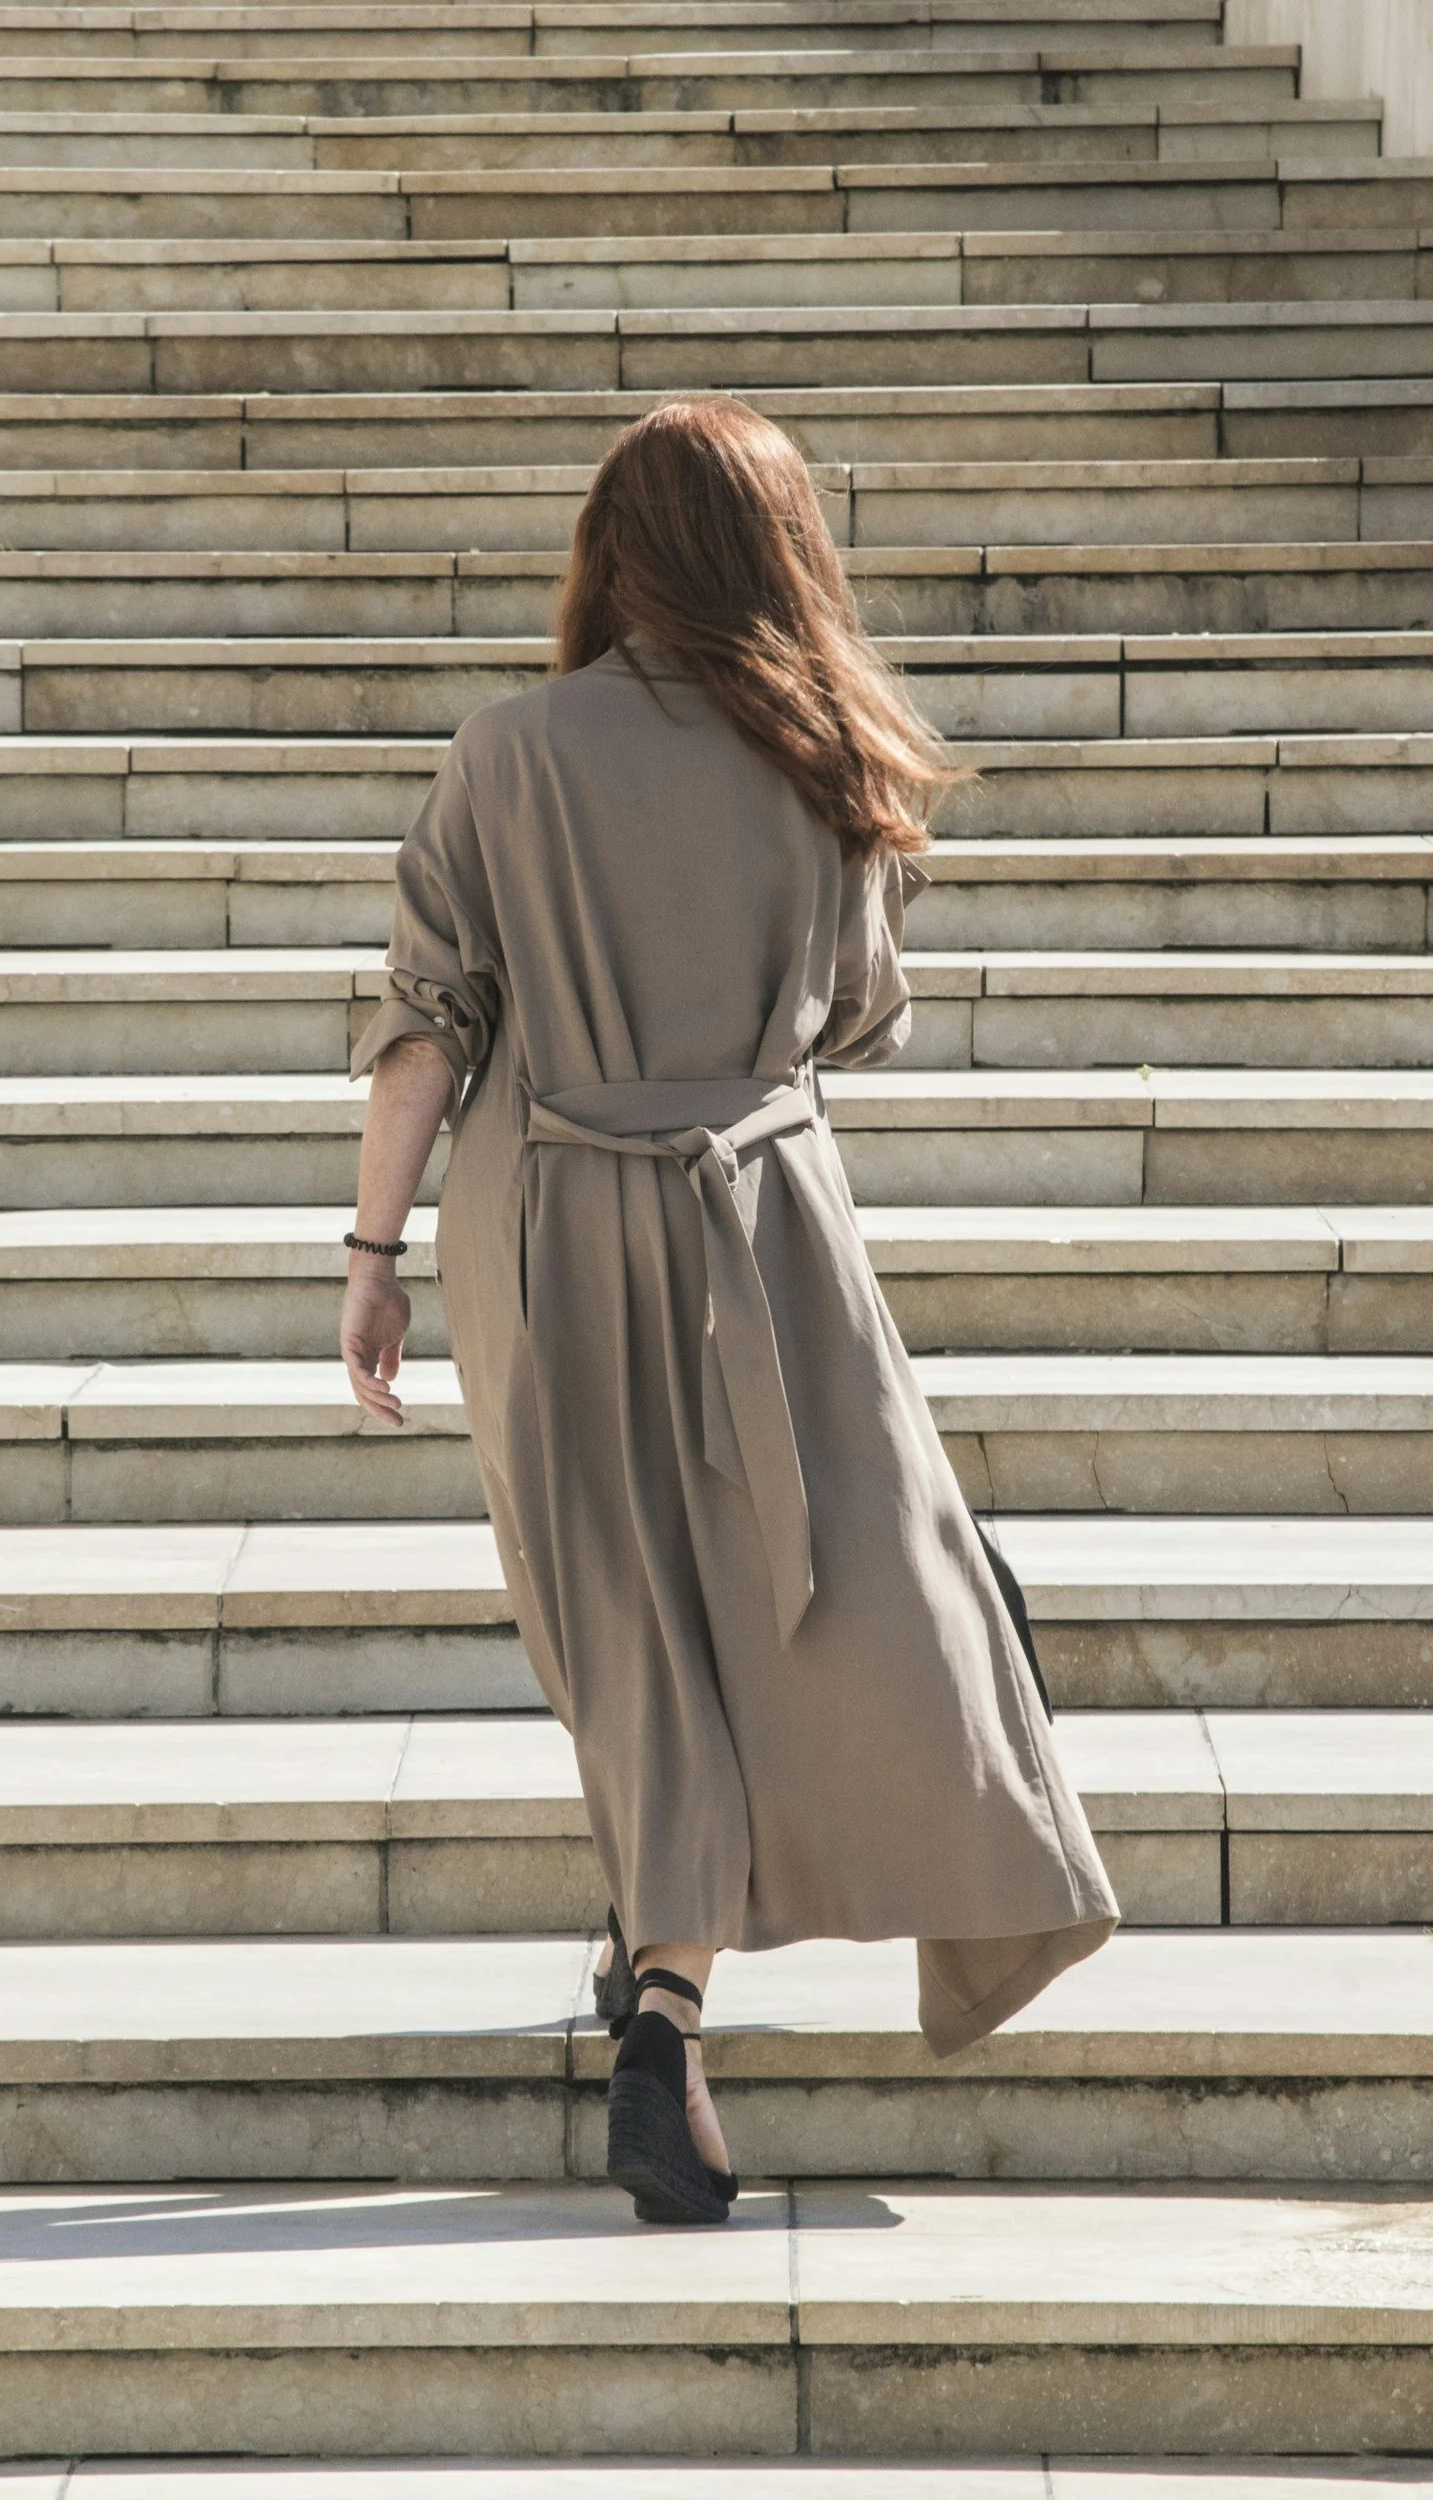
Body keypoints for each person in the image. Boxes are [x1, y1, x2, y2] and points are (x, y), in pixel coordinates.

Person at [341, 397, 1119, 2228]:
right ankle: (672, 1990)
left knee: (624, 1617)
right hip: (759, 1223)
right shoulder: (831, 760)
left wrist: (369, 1261)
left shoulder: (506, 753)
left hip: (540, 1226)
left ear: (610, 555)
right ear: (782, 555)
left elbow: (421, 1029)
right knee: (833, 1579)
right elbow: (858, 1017)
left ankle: (659, 2001)